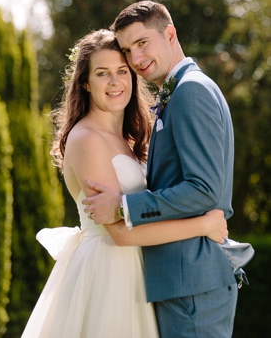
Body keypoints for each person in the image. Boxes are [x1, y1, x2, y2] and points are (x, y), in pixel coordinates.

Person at [21, 29, 228, 338]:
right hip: (109, 272)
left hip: (140, 270)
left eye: (122, 71)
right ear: (85, 83)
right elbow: (119, 233)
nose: (115, 81)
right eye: (102, 73)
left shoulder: (128, 139)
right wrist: (204, 226)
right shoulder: (87, 138)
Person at [83, 1, 238, 337]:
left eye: (142, 43)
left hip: (191, 283)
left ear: (169, 34)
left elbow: (204, 189)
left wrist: (125, 207)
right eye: (127, 50)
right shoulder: (182, 90)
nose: (136, 59)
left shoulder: (190, 91)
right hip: (183, 281)